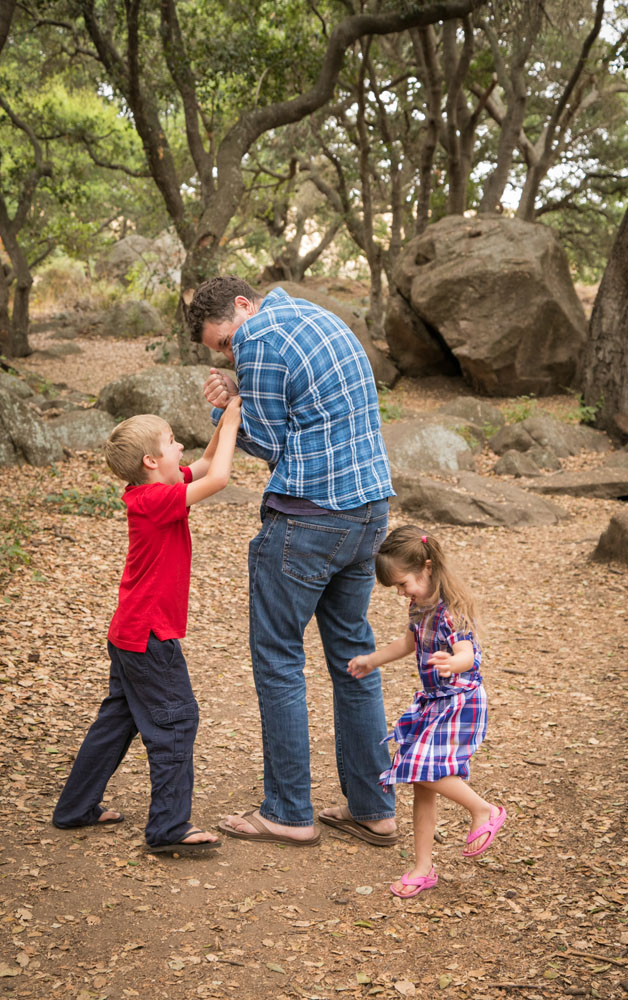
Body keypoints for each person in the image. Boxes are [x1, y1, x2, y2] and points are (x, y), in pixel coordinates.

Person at [187, 276, 397, 847]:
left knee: (279, 660)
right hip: (369, 513)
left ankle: (287, 811)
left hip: (308, 519)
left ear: (241, 307)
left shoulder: (256, 339)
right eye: (222, 351)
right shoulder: (310, 315)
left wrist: (227, 408)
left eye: (225, 342)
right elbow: (306, 412)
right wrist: (243, 389)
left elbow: (271, 443)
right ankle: (374, 808)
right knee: (354, 657)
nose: (231, 352)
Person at [52, 399, 242, 853]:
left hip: (130, 632)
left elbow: (204, 463)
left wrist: (221, 424)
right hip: (149, 635)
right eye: (172, 441)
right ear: (150, 461)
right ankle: (168, 829)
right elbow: (218, 477)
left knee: (118, 720)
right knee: (177, 721)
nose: (181, 447)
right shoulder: (156, 500)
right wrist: (233, 421)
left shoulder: (155, 490)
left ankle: (75, 807)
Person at [347, 525, 506, 897]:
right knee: (421, 783)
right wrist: (372, 660)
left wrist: (455, 663)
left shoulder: (453, 610)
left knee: (417, 767)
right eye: (396, 588)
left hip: (460, 700)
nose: (401, 592)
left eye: (403, 583)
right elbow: (408, 641)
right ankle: (422, 868)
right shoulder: (419, 605)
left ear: (427, 567)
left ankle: (485, 811)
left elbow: (468, 651)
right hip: (435, 700)